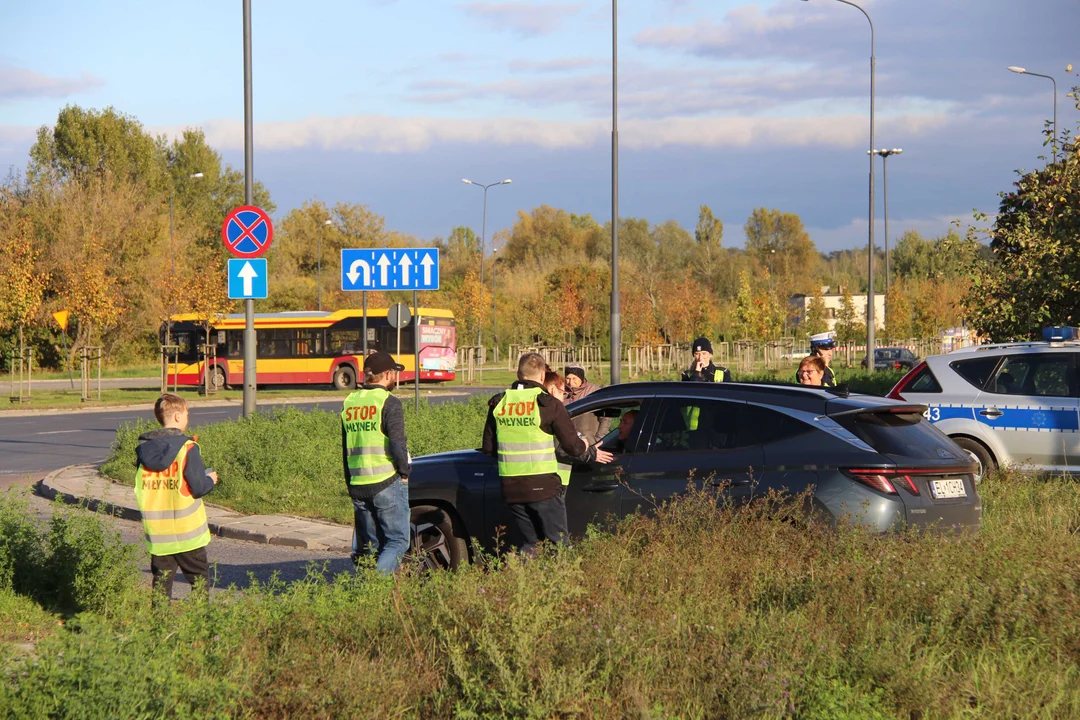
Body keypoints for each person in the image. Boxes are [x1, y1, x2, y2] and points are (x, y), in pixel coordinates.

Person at [483, 353, 614, 555]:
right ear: (543, 375)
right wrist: (586, 444)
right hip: (544, 486)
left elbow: (489, 449)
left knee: (531, 545)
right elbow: (572, 447)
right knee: (559, 545)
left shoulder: (499, 403)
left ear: (518, 373)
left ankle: (524, 583)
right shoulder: (549, 404)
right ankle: (562, 583)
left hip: (511, 488)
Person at [134, 393, 217, 601]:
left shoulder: (144, 452)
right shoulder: (187, 448)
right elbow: (197, 487)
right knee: (199, 581)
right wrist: (210, 480)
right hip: (187, 533)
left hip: (159, 534)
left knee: (161, 586)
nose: (188, 418)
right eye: (187, 413)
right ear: (178, 417)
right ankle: (201, 626)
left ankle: (159, 628)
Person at [342, 351, 412, 574]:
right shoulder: (389, 403)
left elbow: (346, 447)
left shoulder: (350, 402)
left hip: (358, 482)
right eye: (394, 374)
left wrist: (350, 482)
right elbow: (397, 444)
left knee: (369, 547)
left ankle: (366, 592)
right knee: (397, 542)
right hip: (385, 481)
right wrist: (404, 472)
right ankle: (375, 589)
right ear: (389, 374)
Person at [562, 364, 611, 443]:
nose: (570, 382)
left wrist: (599, 439)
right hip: (567, 443)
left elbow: (605, 418)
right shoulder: (562, 392)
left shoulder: (593, 392)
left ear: (581, 378)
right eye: (568, 378)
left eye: (574, 378)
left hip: (590, 441)